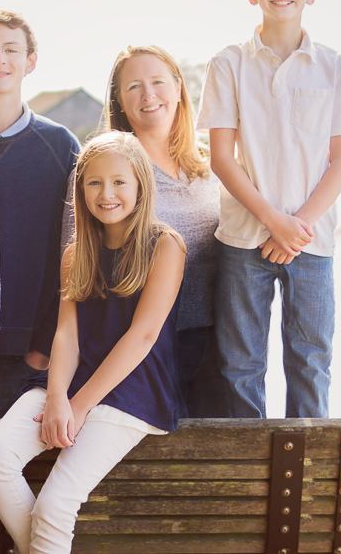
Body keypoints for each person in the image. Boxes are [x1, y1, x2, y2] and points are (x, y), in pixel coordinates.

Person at [0, 131, 185, 554]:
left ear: (140, 185)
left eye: (119, 182)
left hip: (133, 389)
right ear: (81, 189)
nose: (106, 193)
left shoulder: (165, 246)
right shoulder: (77, 253)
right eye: (94, 183)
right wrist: (56, 398)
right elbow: (66, 333)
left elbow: (142, 337)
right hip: (70, 380)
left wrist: (78, 406)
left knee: (55, 506)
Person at [197, 0, 341, 419]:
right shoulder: (228, 64)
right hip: (242, 237)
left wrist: (298, 226)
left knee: (311, 361)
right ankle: (247, 481)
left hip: (311, 242)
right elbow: (222, 159)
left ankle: (307, 483)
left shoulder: (336, 68)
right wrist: (274, 220)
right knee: (239, 364)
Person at [0, 8, 80, 419]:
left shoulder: (60, 146)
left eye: (12, 49)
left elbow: (76, 251)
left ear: (30, 61)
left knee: (17, 473)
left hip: (31, 356)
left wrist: (43, 348)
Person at [105, 45, 224, 417]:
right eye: (134, 86)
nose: (148, 95)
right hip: (143, 345)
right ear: (120, 102)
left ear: (178, 89)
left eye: (158, 82)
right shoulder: (111, 169)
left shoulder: (212, 165)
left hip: (218, 343)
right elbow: (77, 260)